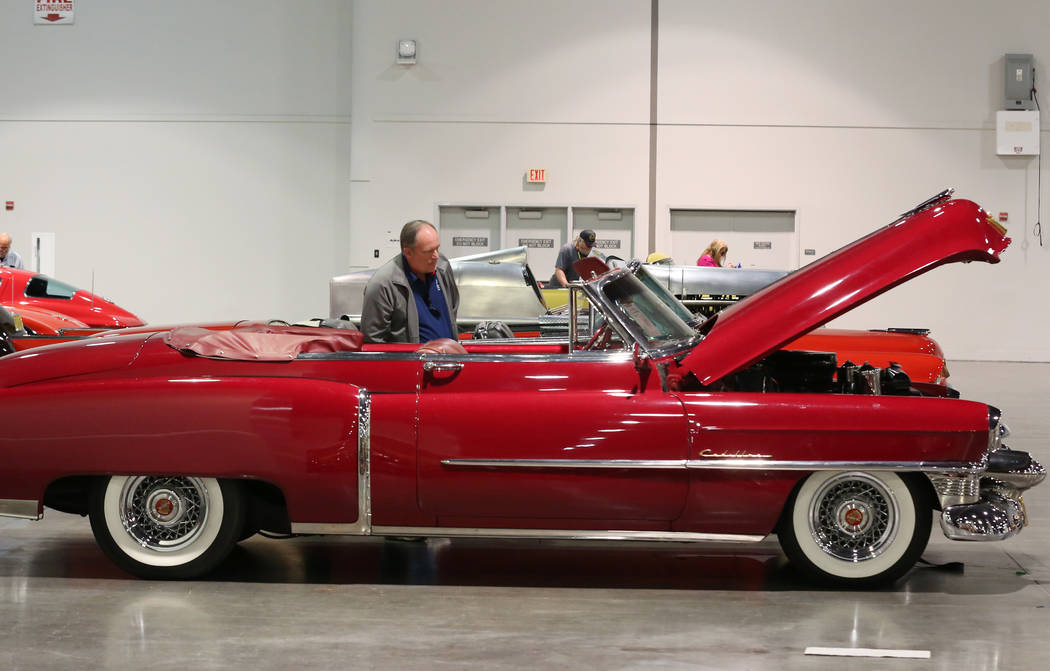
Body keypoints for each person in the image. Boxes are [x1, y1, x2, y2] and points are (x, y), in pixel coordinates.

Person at [360, 220, 459, 344]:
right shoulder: (383, 285)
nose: (436, 256)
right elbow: (373, 342)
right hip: (411, 362)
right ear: (408, 252)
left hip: (448, 360)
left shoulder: (442, 266)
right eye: (428, 251)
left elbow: (453, 306)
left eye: (437, 248)